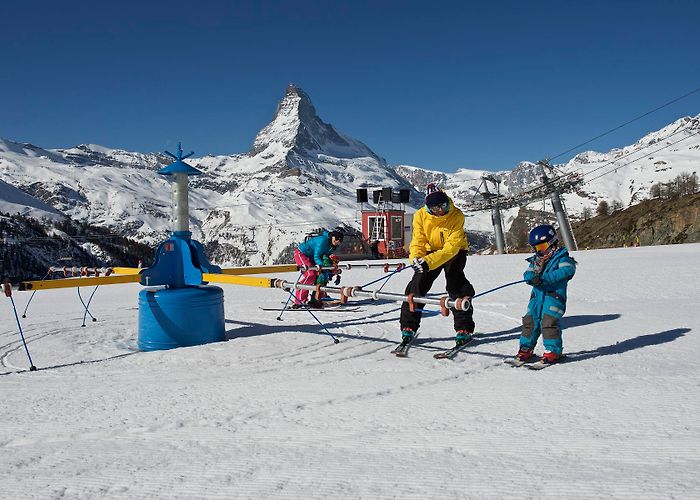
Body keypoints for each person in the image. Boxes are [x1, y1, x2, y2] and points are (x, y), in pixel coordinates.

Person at [399, 184, 475, 348]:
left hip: (455, 251)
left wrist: (429, 262)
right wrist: (416, 258)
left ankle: (464, 329)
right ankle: (408, 326)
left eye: (443, 205)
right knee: (417, 285)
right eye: (435, 207)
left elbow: (451, 247)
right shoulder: (420, 216)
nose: (440, 210)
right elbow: (418, 240)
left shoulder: (456, 215)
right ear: (428, 207)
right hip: (430, 250)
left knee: (456, 284)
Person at [515, 224, 577, 365]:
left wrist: (544, 279)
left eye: (542, 247)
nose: (539, 251)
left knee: (548, 322)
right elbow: (528, 272)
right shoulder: (536, 261)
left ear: (552, 243)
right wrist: (530, 277)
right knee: (530, 321)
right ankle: (526, 348)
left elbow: (567, 271)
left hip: (554, 297)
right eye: (537, 248)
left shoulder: (563, 259)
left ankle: (553, 351)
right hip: (537, 298)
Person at [292, 227, 344, 308]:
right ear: (332, 236)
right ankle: (300, 300)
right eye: (336, 238)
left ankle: (319, 296)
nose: (338, 241)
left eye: (340, 240)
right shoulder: (323, 241)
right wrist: (324, 266)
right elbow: (317, 256)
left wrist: (330, 265)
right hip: (302, 254)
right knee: (311, 274)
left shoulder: (332, 245)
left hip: (311, 257)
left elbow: (324, 256)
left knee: (321, 276)